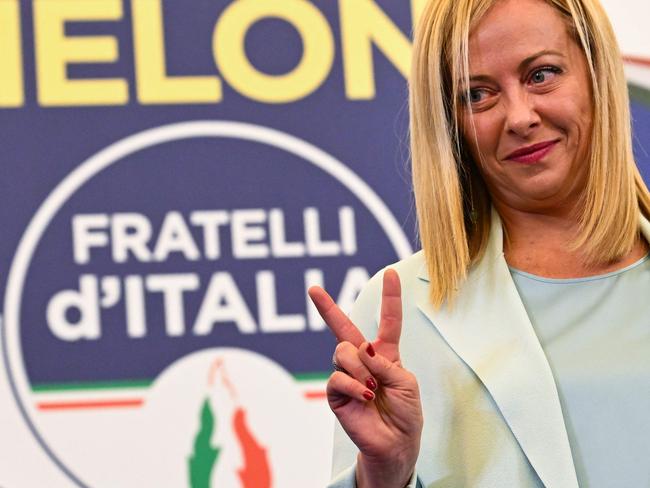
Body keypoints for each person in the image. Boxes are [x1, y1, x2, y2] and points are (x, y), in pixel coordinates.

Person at [308, 0, 650, 486]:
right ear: (450, 126)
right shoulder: (402, 309)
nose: (520, 116)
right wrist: (383, 474)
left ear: (597, 74)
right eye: (478, 95)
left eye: (541, 75)